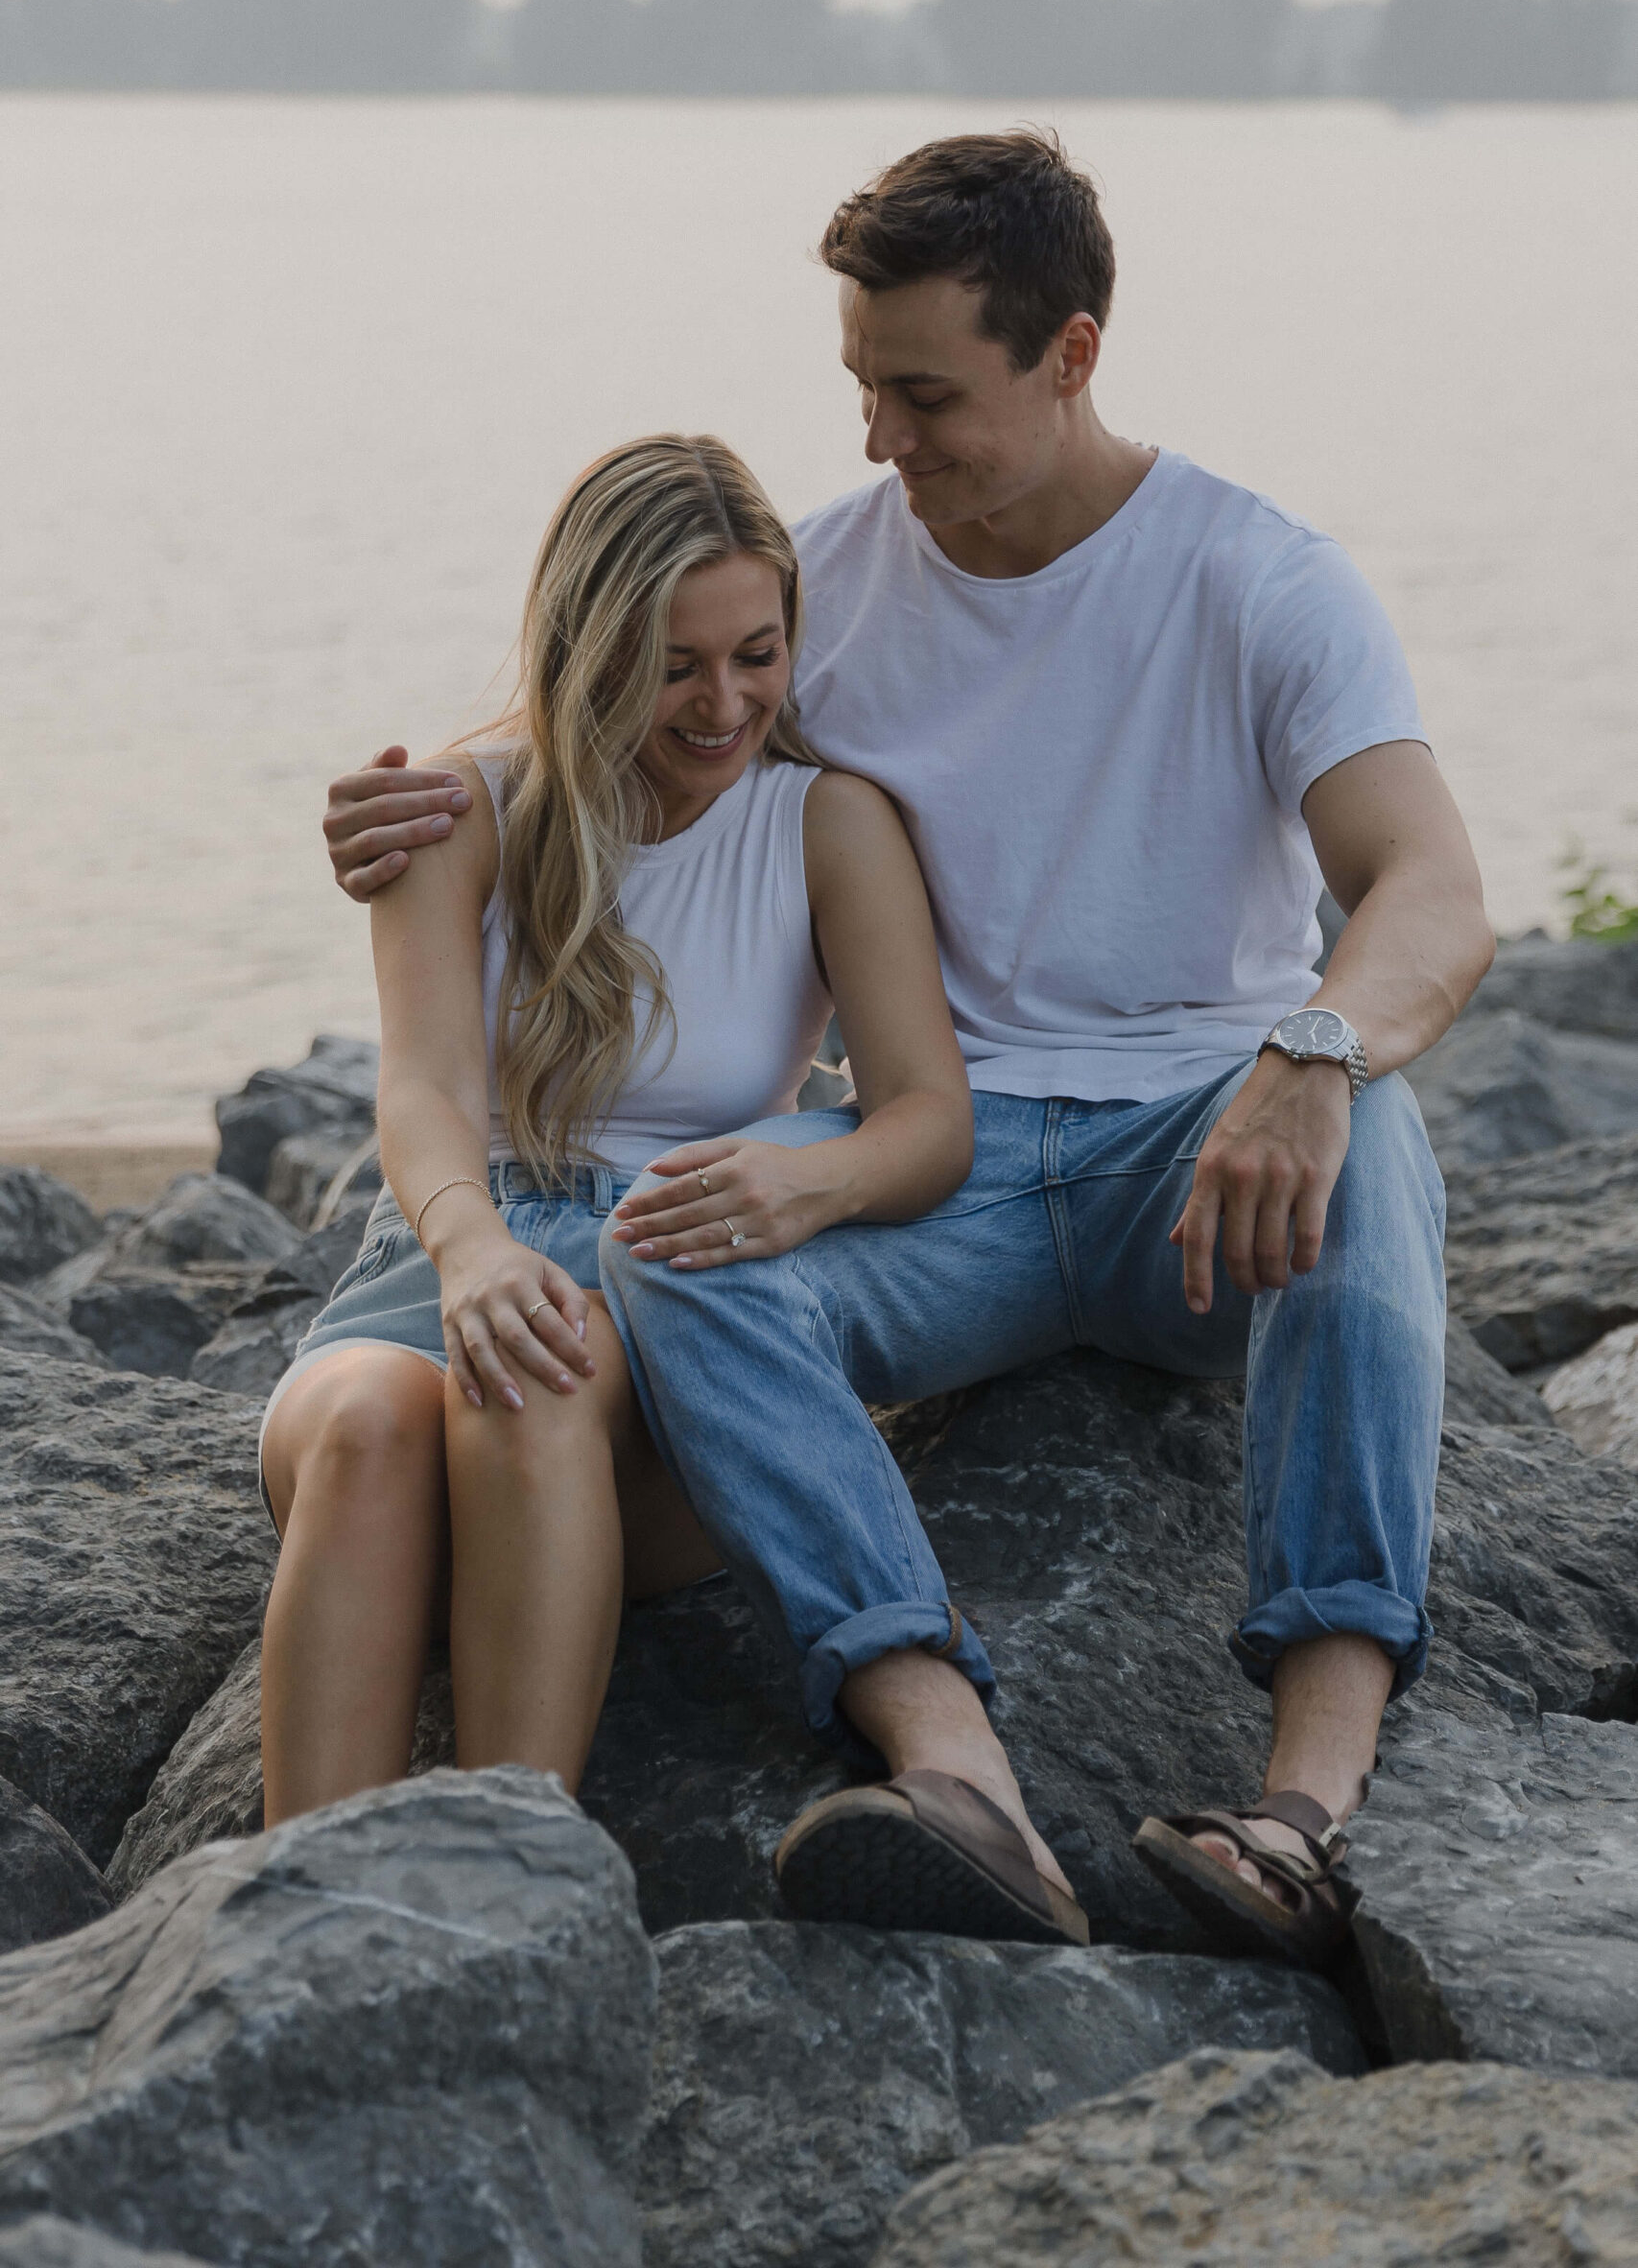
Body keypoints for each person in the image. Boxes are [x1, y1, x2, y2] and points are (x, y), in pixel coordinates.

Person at [320, 131, 1494, 1971]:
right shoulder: (836, 587)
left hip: (1198, 1154)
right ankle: (957, 1772)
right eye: (864, 390)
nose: (884, 441)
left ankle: (1303, 1808)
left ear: (1074, 353)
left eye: (928, 395)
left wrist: (1317, 1050)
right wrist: (418, 815)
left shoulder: (1261, 581)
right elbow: (639, 725)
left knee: (1376, 1152)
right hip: (956, 1175)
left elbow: (1432, 887)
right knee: (680, 1235)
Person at [263, 429, 1087, 1947]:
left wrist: (814, 1187)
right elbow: (427, 1092)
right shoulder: (461, 812)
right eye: (674, 668)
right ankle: (295, 1931)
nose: (723, 706)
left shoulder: (826, 823)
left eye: (756, 655)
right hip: (447, 1252)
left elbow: (928, 1121)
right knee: (381, 1419)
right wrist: (469, 1254)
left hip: (669, 1299)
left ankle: (519, 1898)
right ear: (586, 650)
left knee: (541, 1374)